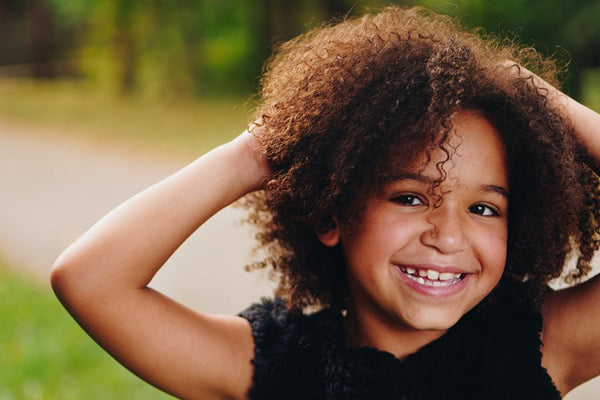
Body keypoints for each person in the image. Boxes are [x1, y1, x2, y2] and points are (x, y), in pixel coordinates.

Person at [51, 6, 600, 400]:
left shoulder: (541, 347)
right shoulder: (271, 367)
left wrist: (536, 95)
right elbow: (90, 280)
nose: (449, 237)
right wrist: (261, 150)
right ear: (330, 213)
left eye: (484, 208)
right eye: (410, 198)